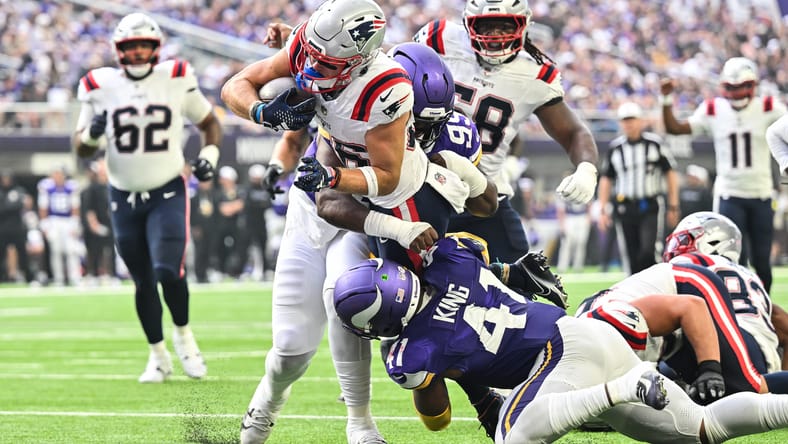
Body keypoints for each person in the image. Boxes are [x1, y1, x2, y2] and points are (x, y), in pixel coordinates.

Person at [229, 18, 498, 443]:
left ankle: (360, 422)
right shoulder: (350, 103)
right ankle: (266, 403)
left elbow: (485, 204)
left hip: (367, 224)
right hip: (321, 212)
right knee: (291, 348)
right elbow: (330, 201)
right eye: (413, 121)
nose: (423, 133)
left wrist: (464, 182)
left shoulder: (440, 132)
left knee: (350, 296)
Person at [332, 235, 788, 443]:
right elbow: (479, 250)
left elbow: (436, 419)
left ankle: (624, 389)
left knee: (515, 437)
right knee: (702, 428)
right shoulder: (450, 257)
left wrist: (428, 374)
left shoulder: (412, 353)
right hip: (589, 334)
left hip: (561, 356)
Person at [72, 13, 222, 383]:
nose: (138, 52)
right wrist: (91, 136)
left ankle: (184, 337)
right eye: (131, 46)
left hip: (167, 190)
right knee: (142, 279)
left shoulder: (175, 77)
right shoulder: (98, 85)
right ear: (118, 50)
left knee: (168, 270)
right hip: (122, 195)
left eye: (144, 45)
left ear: (156, 47)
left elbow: (209, 123)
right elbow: (81, 148)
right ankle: (157, 355)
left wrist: (209, 156)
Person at [413, 0, 600, 263]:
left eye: (504, 26)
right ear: (468, 25)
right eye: (486, 26)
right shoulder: (440, 40)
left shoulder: (535, 74)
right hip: (423, 188)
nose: (495, 35)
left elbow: (572, 132)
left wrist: (586, 169)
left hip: (483, 195)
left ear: (523, 25)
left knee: (523, 275)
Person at [661, 57, 787, 293]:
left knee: (762, 261)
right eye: (732, 87)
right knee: (733, 261)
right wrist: (666, 100)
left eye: (742, 86)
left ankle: (762, 307)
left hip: (761, 194)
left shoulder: (769, 106)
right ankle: (736, 308)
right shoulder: (713, 109)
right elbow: (675, 129)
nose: (737, 92)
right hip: (729, 194)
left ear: (753, 85)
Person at [664, 212, 788, 374]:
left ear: (713, 241)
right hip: (763, 361)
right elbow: (780, 319)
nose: (677, 246)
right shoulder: (749, 275)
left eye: (684, 240)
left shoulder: (692, 262)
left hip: (723, 347)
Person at [596, 101, 680, 275]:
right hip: (624, 206)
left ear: (640, 121)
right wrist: (603, 209)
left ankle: (653, 283)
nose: (629, 124)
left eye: (632, 119)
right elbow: (606, 179)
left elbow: (670, 173)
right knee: (630, 254)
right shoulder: (615, 148)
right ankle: (635, 288)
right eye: (625, 120)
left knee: (648, 251)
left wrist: (673, 205)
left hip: (649, 204)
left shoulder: (654, 144)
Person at [37, 166, 82, 286]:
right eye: (55, 174)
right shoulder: (46, 187)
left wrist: (75, 224)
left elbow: (75, 207)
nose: (57, 176)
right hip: (53, 221)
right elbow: (43, 207)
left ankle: (75, 277)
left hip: (68, 221)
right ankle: (59, 278)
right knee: (56, 251)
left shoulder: (71, 187)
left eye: (59, 174)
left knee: (71, 250)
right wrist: (44, 225)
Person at [80, 159, 115, 284]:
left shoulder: (111, 187)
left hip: (109, 223)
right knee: (94, 250)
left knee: (110, 250)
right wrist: (94, 225)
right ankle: (94, 274)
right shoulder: (91, 189)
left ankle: (111, 274)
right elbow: (89, 210)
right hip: (96, 225)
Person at [0, 170, 33, 283]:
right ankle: (3, 277)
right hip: (2, 228)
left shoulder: (19, 190)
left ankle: (29, 277)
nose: (6, 180)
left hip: (17, 228)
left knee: (23, 253)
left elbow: (22, 204)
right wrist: (11, 206)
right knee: (1, 254)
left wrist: (7, 206)